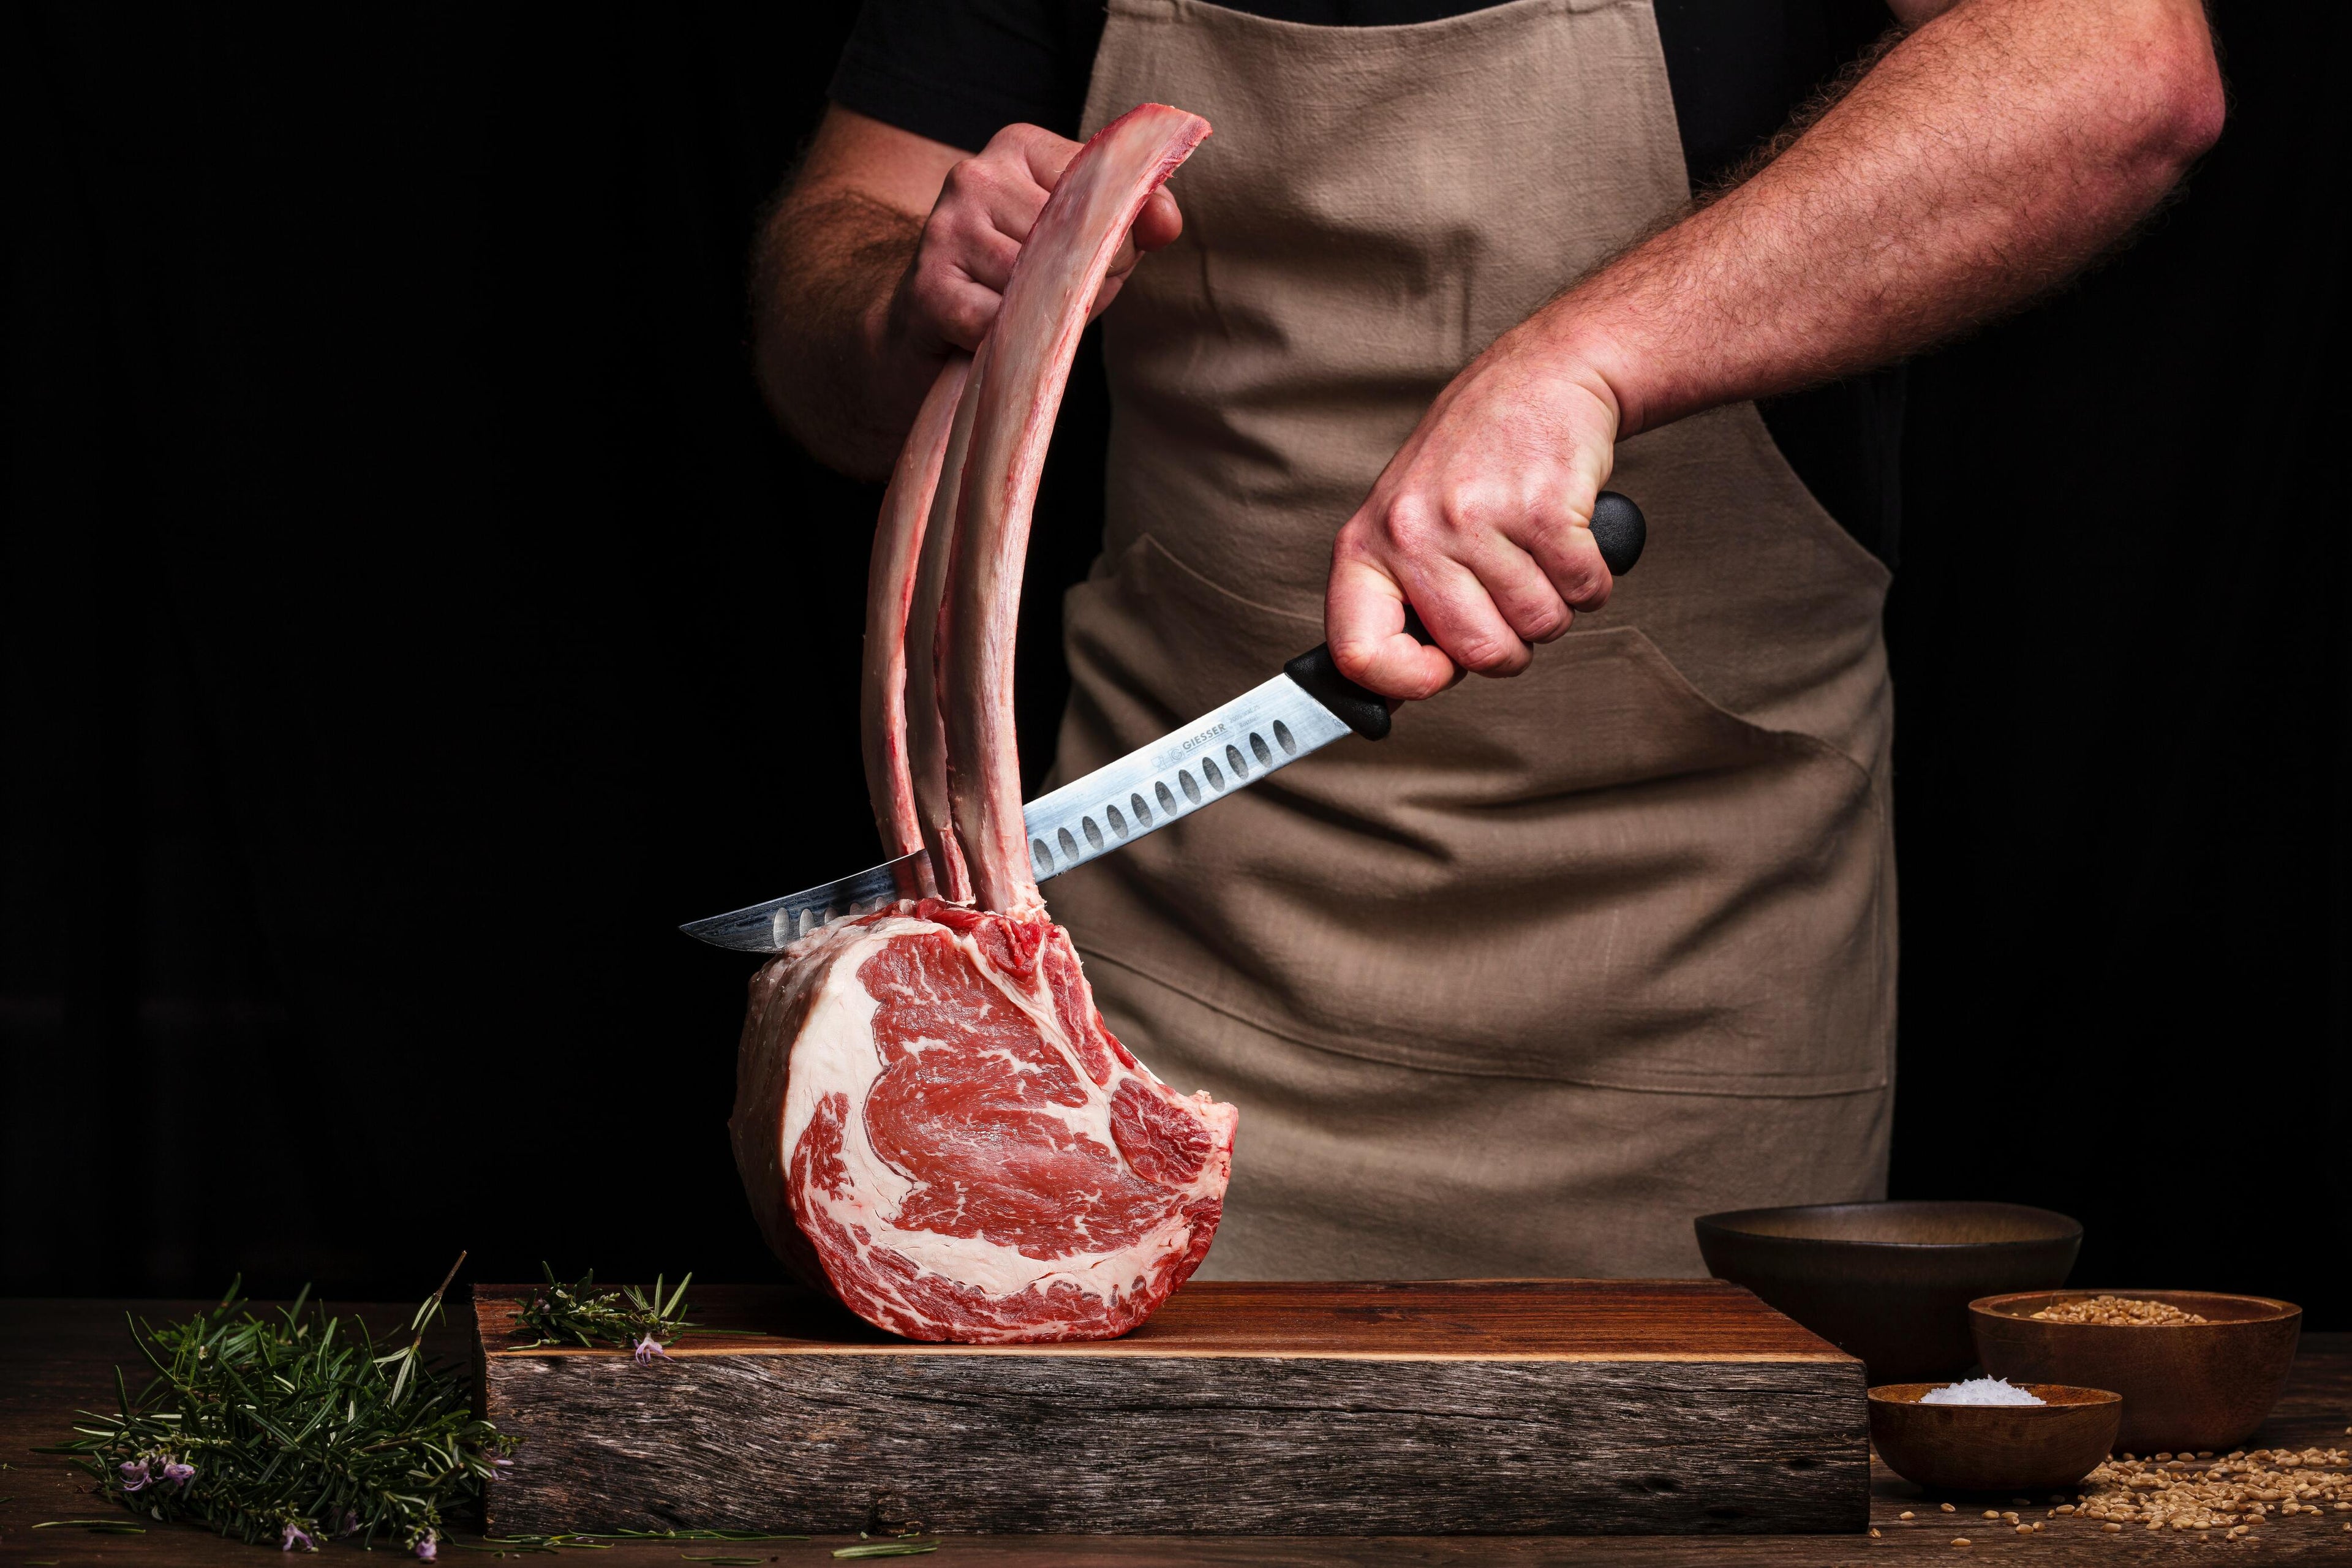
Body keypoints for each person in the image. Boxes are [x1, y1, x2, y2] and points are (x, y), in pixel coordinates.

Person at [752, 0, 2222, 1278]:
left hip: (1690, 1009)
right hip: (1146, 1013)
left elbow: (2117, 64)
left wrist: (1587, 360)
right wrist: (914, 292)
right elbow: (831, 308)